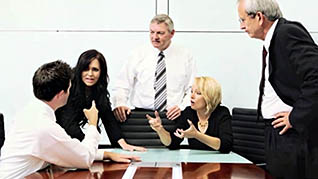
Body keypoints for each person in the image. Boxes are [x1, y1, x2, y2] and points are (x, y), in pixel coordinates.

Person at [0, 60, 139, 179]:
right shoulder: (44, 127)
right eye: (69, 88)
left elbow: (67, 150)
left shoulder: (28, 113)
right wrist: (92, 123)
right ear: (61, 93)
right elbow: (83, 158)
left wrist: (106, 154)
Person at [237, 0, 318, 178]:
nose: (242, 26)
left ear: (259, 17)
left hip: (292, 135)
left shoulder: (287, 33)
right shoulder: (273, 39)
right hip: (278, 133)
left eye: (242, 20)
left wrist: (295, 117)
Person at [55, 49, 146, 152]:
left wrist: (123, 144)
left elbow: (108, 118)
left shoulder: (98, 89)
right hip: (55, 137)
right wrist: (90, 147)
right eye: (86, 69)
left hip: (71, 142)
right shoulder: (69, 87)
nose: (90, 74)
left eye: (95, 70)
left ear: (101, 72)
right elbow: (69, 125)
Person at [112, 14, 196, 122]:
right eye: (152, 32)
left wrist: (182, 107)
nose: (154, 37)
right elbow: (122, 84)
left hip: (172, 117)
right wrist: (120, 104)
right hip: (140, 117)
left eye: (160, 33)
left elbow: (192, 88)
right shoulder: (137, 54)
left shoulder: (185, 56)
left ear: (172, 33)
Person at [146, 77, 233, 153]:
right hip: (194, 164)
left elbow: (225, 146)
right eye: (191, 91)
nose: (191, 96)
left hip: (218, 165)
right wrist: (160, 129)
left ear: (210, 96)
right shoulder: (189, 113)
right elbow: (172, 143)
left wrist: (197, 135)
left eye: (198, 93)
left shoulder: (222, 113)